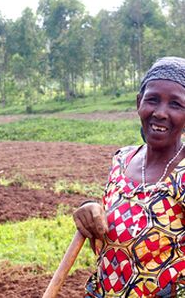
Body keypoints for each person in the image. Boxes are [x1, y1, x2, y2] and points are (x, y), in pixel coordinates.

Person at [74, 56, 185, 297]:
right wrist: (88, 208)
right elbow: (109, 218)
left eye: (176, 104)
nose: (160, 113)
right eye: (152, 100)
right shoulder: (122, 160)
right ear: (138, 103)